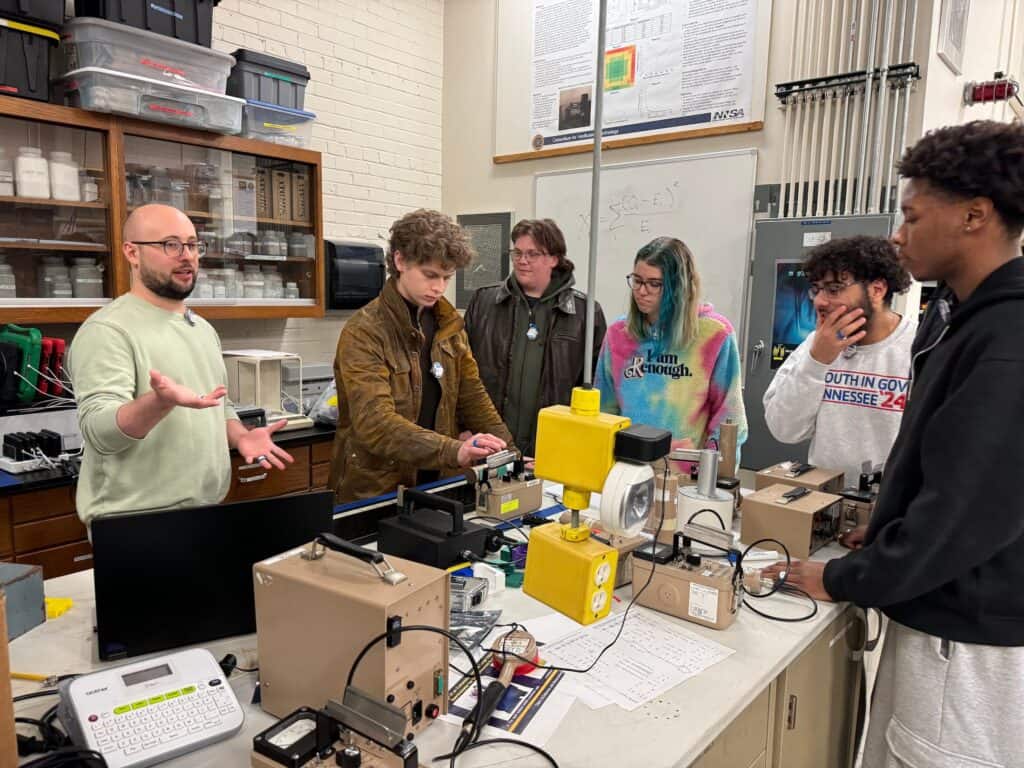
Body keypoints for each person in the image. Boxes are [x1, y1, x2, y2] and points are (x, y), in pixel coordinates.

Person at [768, 120, 1024, 767]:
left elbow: (962, 515)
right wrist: (886, 531)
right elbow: (946, 472)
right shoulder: (960, 322)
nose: (899, 235)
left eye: (912, 216)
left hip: (961, 647)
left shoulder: (1005, 339)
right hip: (932, 616)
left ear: (975, 215)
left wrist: (845, 576)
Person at [69, 204, 293, 528]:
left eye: (192, 245)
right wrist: (159, 402)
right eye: (170, 245)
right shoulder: (108, 330)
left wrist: (240, 437)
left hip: (206, 512)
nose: (186, 255)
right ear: (132, 253)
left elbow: (220, 405)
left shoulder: (201, 329)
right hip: (136, 523)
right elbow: (100, 433)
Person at [330, 208, 514, 502]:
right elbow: (375, 423)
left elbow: (472, 396)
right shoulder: (364, 332)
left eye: (447, 277)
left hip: (438, 484)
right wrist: (454, 450)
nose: (438, 287)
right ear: (400, 260)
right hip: (377, 490)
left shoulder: (449, 325)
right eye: (430, 275)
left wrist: (510, 455)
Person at [763, 236, 914, 490]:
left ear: (877, 290)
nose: (819, 301)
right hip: (824, 500)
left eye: (833, 289)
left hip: (891, 510)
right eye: (817, 289)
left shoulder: (917, 349)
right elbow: (784, 429)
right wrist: (817, 361)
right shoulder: (816, 344)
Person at [595, 236, 747, 469]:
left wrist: (710, 477)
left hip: (685, 476)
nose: (641, 291)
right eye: (637, 280)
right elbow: (604, 411)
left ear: (679, 287)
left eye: (654, 284)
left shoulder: (715, 334)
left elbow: (729, 419)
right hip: (627, 471)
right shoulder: (618, 334)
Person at [464, 218, 606, 457]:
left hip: (553, 447)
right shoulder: (484, 302)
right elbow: (461, 374)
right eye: (517, 252)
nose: (522, 261)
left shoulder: (586, 313)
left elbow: (595, 387)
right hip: (488, 443)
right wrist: (463, 429)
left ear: (554, 258)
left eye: (532, 254)